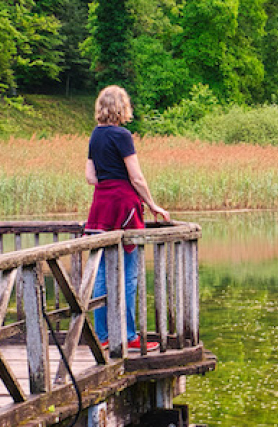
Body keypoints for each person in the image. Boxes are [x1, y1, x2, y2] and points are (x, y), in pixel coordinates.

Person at [84, 85, 169, 352]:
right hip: (123, 206)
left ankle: (103, 336)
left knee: (101, 275)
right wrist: (152, 204)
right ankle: (129, 336)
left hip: (100, 206)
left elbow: (91, 177)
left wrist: (108, 181)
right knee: (129, 273)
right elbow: (136, 177)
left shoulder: (95, 136)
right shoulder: (122, 135)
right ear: (122, 107)